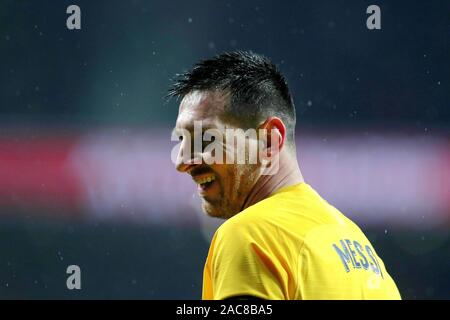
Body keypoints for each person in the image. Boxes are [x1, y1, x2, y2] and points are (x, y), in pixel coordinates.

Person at [169, 51, 401, 300]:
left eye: (204, 138)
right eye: (182, 140)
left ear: (268, 140)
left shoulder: (250, 236)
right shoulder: (357, 247)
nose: (182, 162)